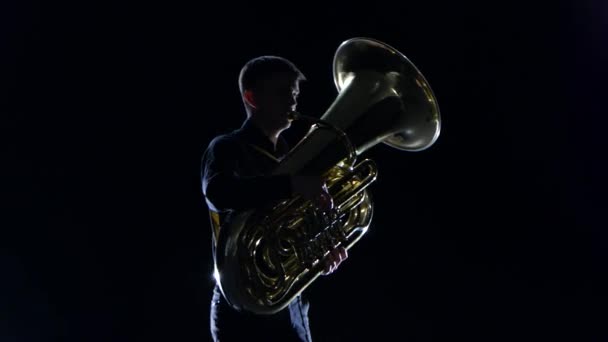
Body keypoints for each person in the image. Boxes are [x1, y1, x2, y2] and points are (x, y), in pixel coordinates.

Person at [200, 55, 348, 342]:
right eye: (282, 93)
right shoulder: (226, 147)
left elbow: (297, 233)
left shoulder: (295, 157)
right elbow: (219, 193)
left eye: (295, 94)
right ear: (252, 97)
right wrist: (290, 184)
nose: (293, 103)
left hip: (292, 310)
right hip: (241, 310)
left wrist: (322, 253)